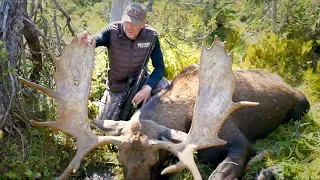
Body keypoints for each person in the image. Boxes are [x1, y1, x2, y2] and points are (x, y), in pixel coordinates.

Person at [77, 2, 169, 120]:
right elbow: (97, 39)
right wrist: (87, 40)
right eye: (127, 21)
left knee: (164, 86)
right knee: (105, 124)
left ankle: (154, 119)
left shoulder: (151, 36)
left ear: (143, 24)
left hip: (140, 82)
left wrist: (147, 87)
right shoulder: (112, 31)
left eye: (134, 23)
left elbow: (159, 67)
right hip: (117, 87)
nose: (129, 26)